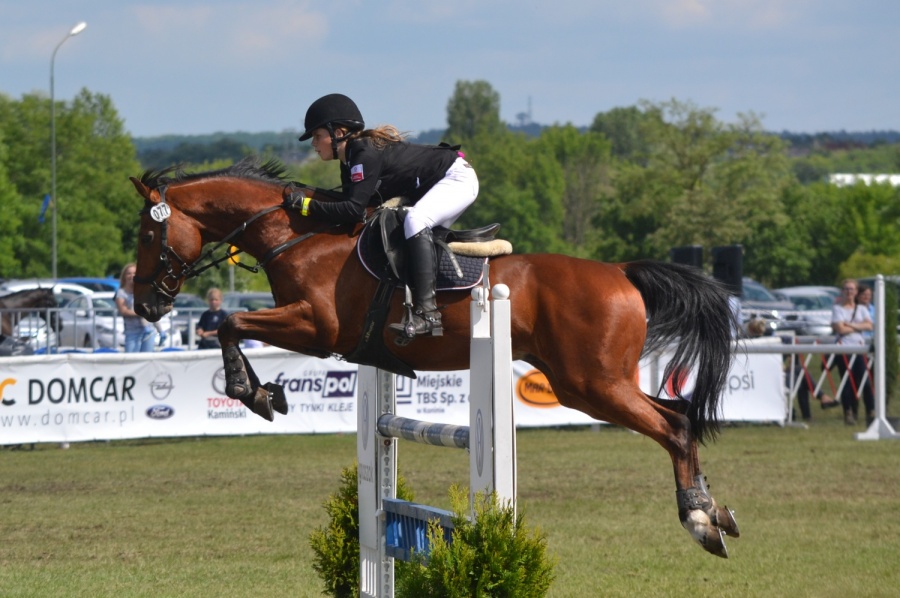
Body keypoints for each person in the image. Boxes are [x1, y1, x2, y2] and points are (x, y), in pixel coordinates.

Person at [287, 93, 479, 338]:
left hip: (455, 178)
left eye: (317, 136)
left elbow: (352, 210)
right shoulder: (349, 161)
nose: (313, 143)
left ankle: (429, 314)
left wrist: (305, 206)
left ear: (338, 133)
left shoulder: (363, 154)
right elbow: (356, 210)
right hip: (433, 184)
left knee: (415, 220)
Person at [831, 278, 875, 426]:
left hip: (859, 348)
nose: (849, 292)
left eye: (852, 289)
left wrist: (849, 324)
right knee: (847, 382)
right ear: (842, 291)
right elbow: (840, 329)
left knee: (866, 382)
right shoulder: (838, 309)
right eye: (846, 289)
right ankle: (849, 413)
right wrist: (858, 326)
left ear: (856, 292)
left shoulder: (862, 309)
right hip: (844, 348)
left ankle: (871, 412)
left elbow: (870, 326)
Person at [115, 263, 157, 352]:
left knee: (147, 358)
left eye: (134, 273)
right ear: (124, 276)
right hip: (132, 332)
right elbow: (124, 311)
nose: (132, 276)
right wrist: (141, 312)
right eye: (129, 273)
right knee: (132, 361)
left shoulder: (144, 290)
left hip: (148, 330)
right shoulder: (121, 293)